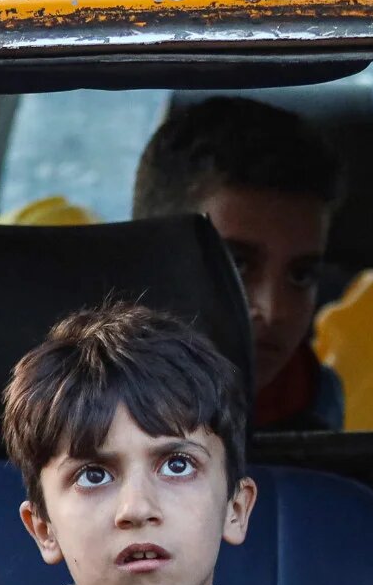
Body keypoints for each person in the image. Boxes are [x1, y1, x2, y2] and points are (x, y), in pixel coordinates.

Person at [0, 303, 348, 585]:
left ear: (236, 509)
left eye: (177, 466)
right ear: (44, 528)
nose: (136, 508)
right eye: (94, 475)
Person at [132, 96, 345, 431]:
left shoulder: (313, 396)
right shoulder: (62, 400)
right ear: (152, 259)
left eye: (301, 276)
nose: (273, 310)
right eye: (236, 265)